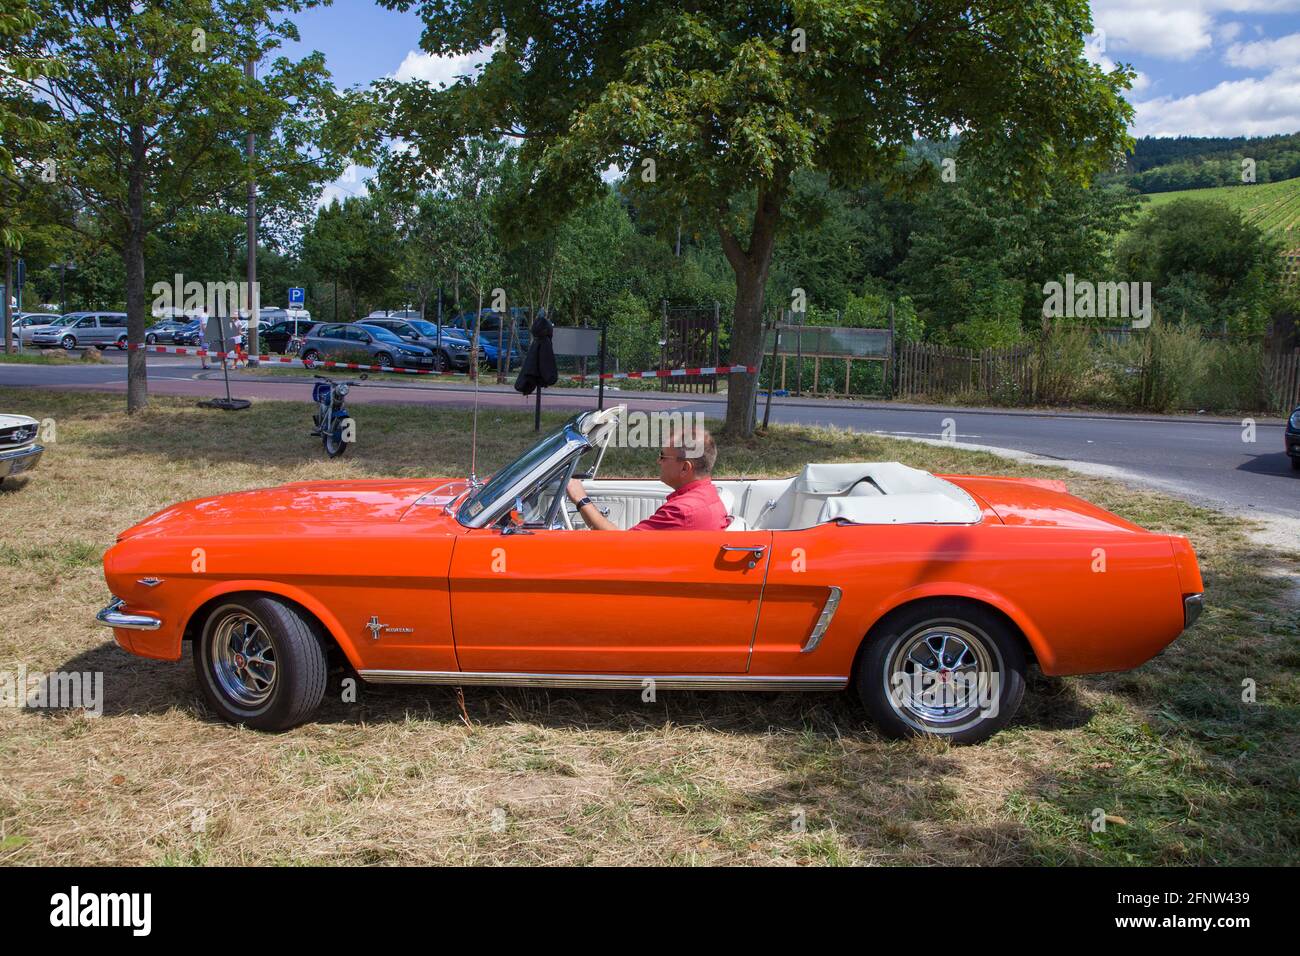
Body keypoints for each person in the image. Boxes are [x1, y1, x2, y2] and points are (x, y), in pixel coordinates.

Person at [565, 422, 729, 531]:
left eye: (663, 456)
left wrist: (581, 500)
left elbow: (621, 545)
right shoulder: (710, 495)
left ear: (685, 468)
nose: (658, 461)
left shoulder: (681, 512)